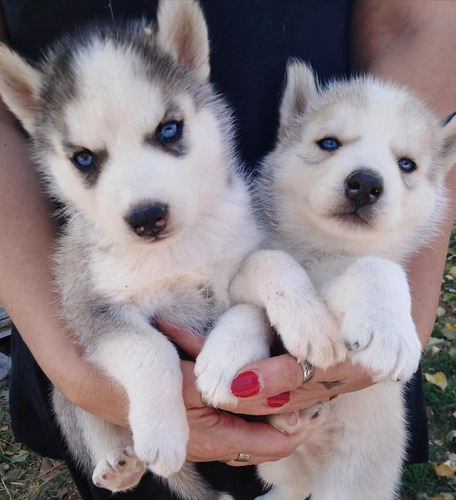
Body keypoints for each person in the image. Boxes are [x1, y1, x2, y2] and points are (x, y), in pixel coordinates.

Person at [0, 1, 455, 498]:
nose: (140, 197)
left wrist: (403, 290)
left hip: (318, 290)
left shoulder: (236, 209)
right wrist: (77, 373)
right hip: (96, 351)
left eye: (167, 132)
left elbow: (419, 24)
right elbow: (96, 318)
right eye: (86, 159)